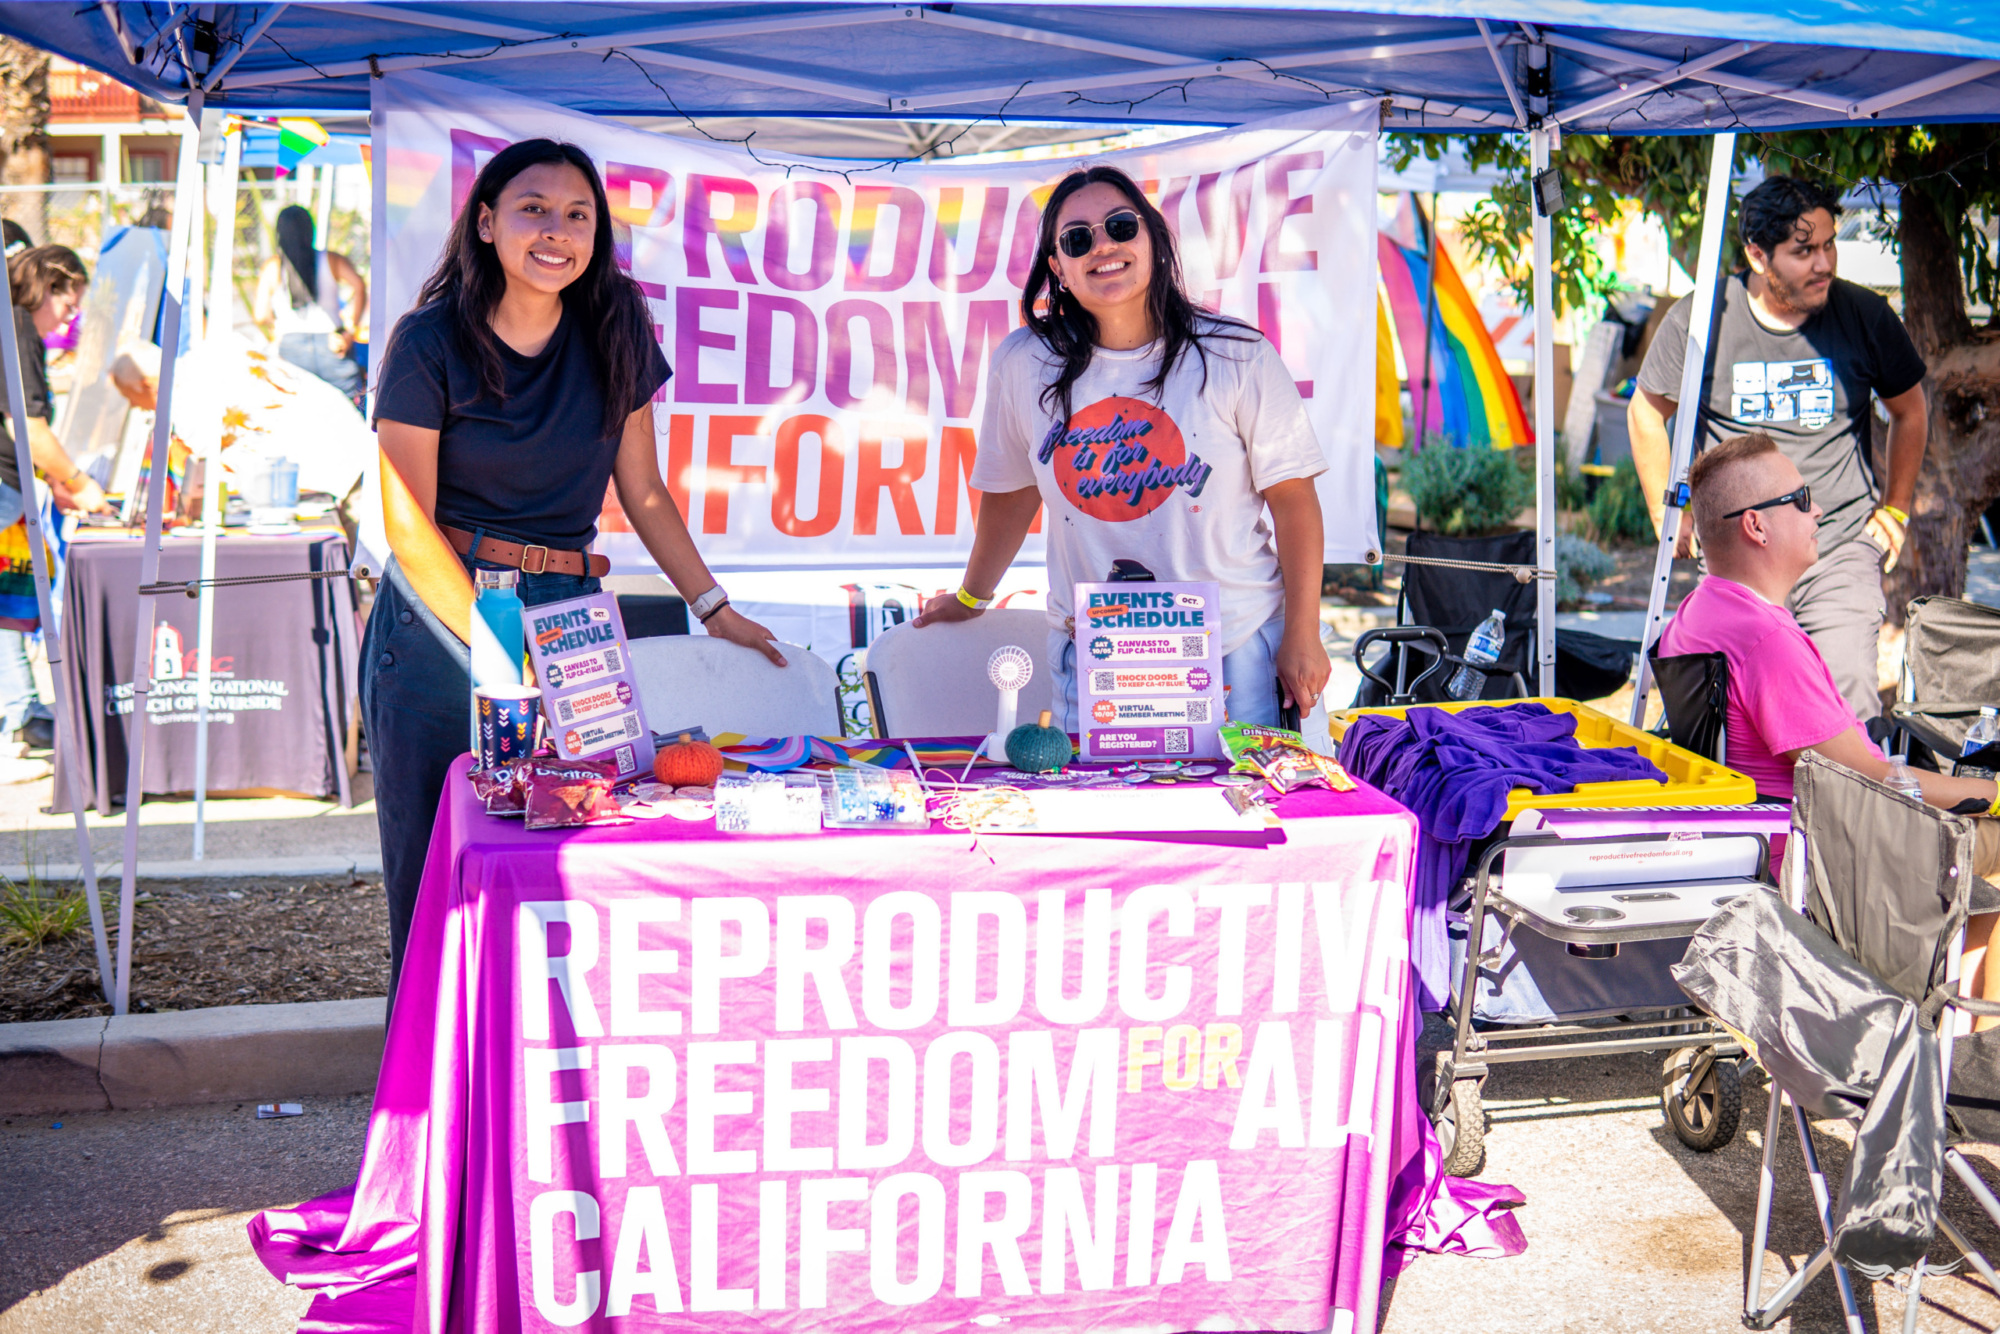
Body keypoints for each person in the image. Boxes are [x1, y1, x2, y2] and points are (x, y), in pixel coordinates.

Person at [366, 139, 783, 994]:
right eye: (532, 209)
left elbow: (646, 491)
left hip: (570, 613)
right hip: (448, 610)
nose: (556, 230)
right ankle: (431, 1097)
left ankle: (543, 1061)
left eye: (578, 214)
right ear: (485, 223)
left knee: (571, 847)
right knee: (438, 864)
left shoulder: (617, 325)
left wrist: (714, 606)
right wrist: (496, 649)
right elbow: (406, 522)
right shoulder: (428, 339)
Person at [911, 165, 1332, 727]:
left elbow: (1293, 499)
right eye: (1078, 239)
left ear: (1154, 237)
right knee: (1107, 813)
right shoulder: (1024, 363)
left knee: (1240, 811)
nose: (1102, 246)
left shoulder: (1238, 353)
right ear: (1058, 268)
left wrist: (1302, 634)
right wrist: (970, 597)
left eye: (1120, 226)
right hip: (1097, 655)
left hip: (1235, 648)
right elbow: (1012, 495)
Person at [1660, 432, 2000, 1024]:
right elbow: (1874, 780)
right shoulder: (1767, 640)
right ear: (1757, 527)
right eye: (1801, 498)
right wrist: (1993, 797)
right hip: (1824, 861)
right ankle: (1977, 1062)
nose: (1817, 511)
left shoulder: (1698, 610)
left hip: (1770, 842)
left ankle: (1962, 1025)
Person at [1632, 175, 1928, 725]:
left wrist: (1896, 508)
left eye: (1829, 244)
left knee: (1848, 703)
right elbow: (1646, 413)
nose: (1824, 263)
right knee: (1727, 714)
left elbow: (1910, 410)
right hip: (1737, 557)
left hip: (1835, 546)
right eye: (1803, 251)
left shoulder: (1865, 315)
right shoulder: (1703, 321)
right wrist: (1664, 511)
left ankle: (1845, 808)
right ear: (1757, 254)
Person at [0, 245, 112, 750]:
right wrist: (78, 482)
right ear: (50, 286)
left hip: (13, 484)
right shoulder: (19, 325)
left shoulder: (15, 323)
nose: (67, 319)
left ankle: (21, 708)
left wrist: (55, 483)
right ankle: (22, 709)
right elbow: (28, 425)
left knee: (6, 603)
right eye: (69, 305)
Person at [255, 204, 369, 402]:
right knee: (346, 411)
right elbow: (359, 286)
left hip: (290, 344)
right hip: (333, 342)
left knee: (297, 409)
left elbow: (260, 315)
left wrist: (276, 328)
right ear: (310, 230)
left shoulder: (273, 266)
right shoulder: (331, 259)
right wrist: (350, 328)